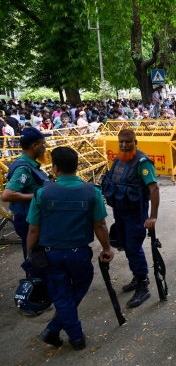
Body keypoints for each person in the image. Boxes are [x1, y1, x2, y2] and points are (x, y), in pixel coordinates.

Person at [25, 147, 113, 351]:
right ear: (76, 166)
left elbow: (33, 229)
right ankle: (72, 336)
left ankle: (59, 331)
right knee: (81, 284)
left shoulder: (42, 193)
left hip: (51, 255)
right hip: (79, 254)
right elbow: (100, 225)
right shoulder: (92, 192)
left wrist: (30, 253)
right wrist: (106, 248)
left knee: (61, 294)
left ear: (55, 168)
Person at [101, 129, 160, 308]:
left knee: (134, 248)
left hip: (136, 213)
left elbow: (154, 189)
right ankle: (137, 275)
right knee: (125, 245)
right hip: (120, 211)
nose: (124, 145)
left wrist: (153, 217)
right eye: (121, 141)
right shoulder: (118, 159)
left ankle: (143, 285)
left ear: (135, 142)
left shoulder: (143, 163)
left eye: (128, 141)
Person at [1, 128, 51, 259]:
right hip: (28, 220)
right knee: (35, 258)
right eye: (43, 143)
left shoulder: (30, 164)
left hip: (32, 218)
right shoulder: (23, 168)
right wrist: (38, 196)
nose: (45, 147)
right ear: (34, 146)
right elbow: (7, 195)